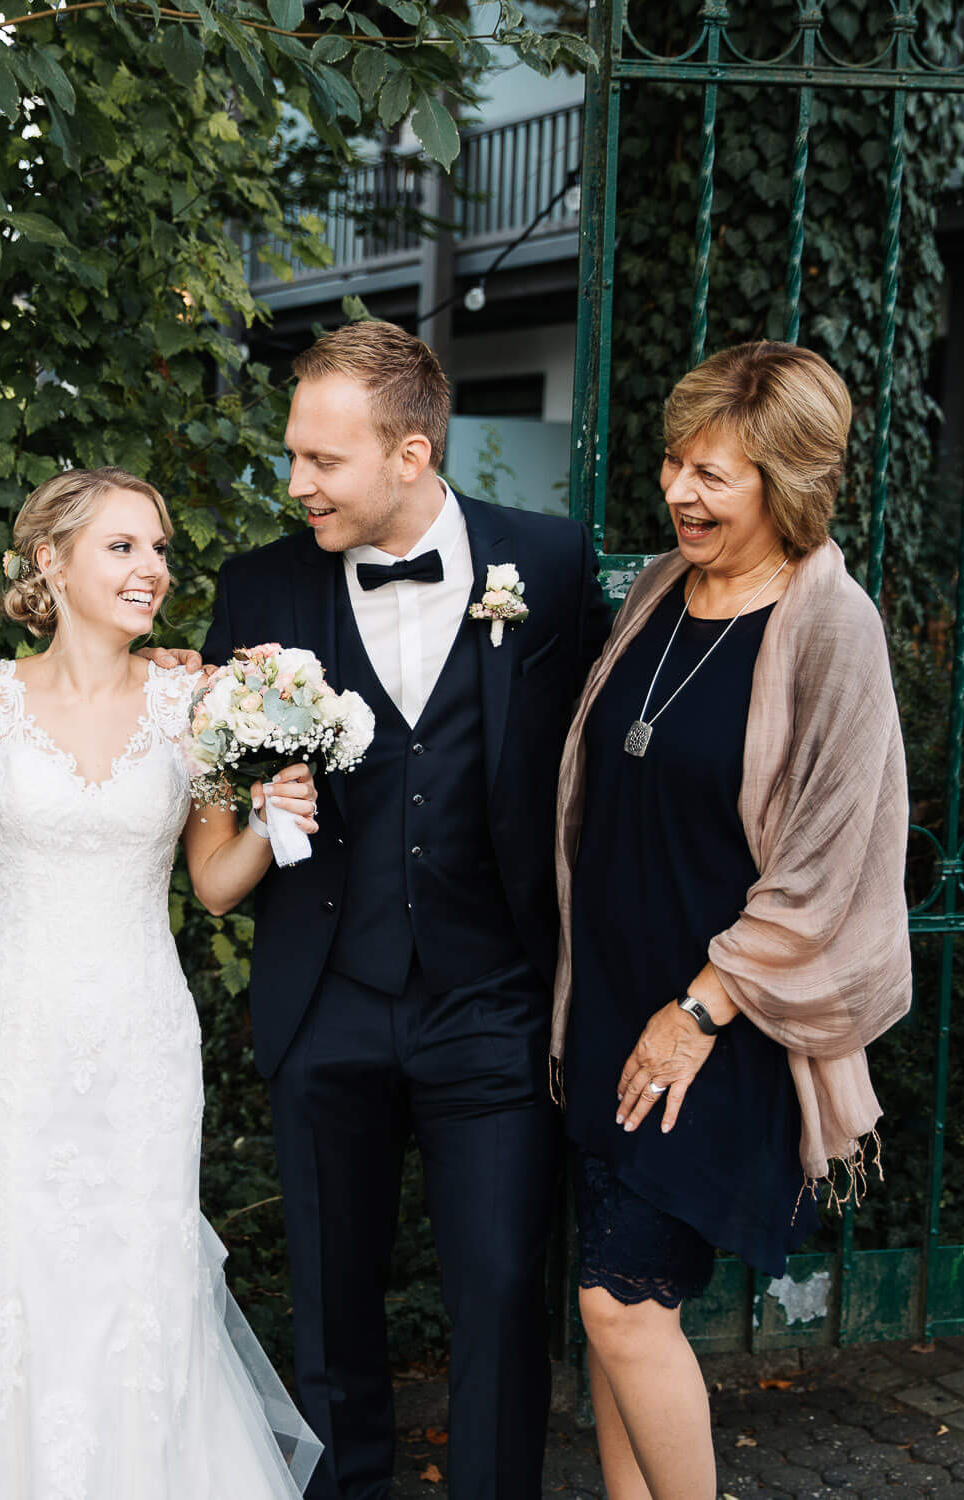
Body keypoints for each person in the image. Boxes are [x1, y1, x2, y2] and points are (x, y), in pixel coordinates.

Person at [202, 320, 615, 1500]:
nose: (295, 482)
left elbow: (605, 762)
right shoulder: (261, 586)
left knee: (500, 1297)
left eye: (321, 460)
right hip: (326, 1000)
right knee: (331, 1311)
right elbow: (208, 785)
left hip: (493, 1002)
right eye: (293, 453)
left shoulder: (549, 562)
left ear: (412, 454)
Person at [0, 467, 325, 1499]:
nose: (153, 570)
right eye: (124, 547)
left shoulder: (194, 703)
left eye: (160, 549)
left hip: (141, 1043)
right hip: (12, 1046)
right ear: (51, 561)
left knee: (136, 1292)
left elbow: (213, 885)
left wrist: (273, 820)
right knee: (12, 1287)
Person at [549, 341, 912, 1500]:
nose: (678, 491)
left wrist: (699, 1011)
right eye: (674, 463)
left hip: (726, 1019)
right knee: (612, 1312)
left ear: (787, 481)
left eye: (712, 475)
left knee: (620, 1304)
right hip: (611, 1001)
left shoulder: (832, 623)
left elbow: (827, 863)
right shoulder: (659, 589)